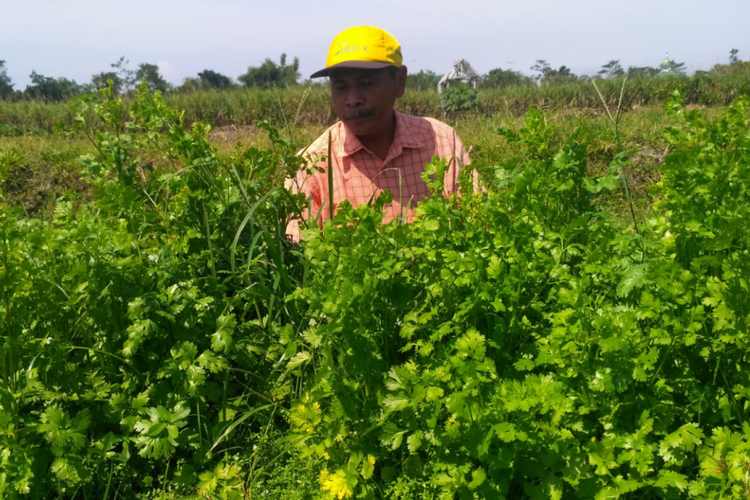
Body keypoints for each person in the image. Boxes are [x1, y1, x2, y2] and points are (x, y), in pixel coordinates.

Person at [286, 26, 474, 242]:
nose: (353, 99)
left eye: (366, 83)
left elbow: (478, 221)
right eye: (340, 87)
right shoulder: (310, 166)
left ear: (400, 82)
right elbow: (297, 256)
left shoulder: (442, 142)